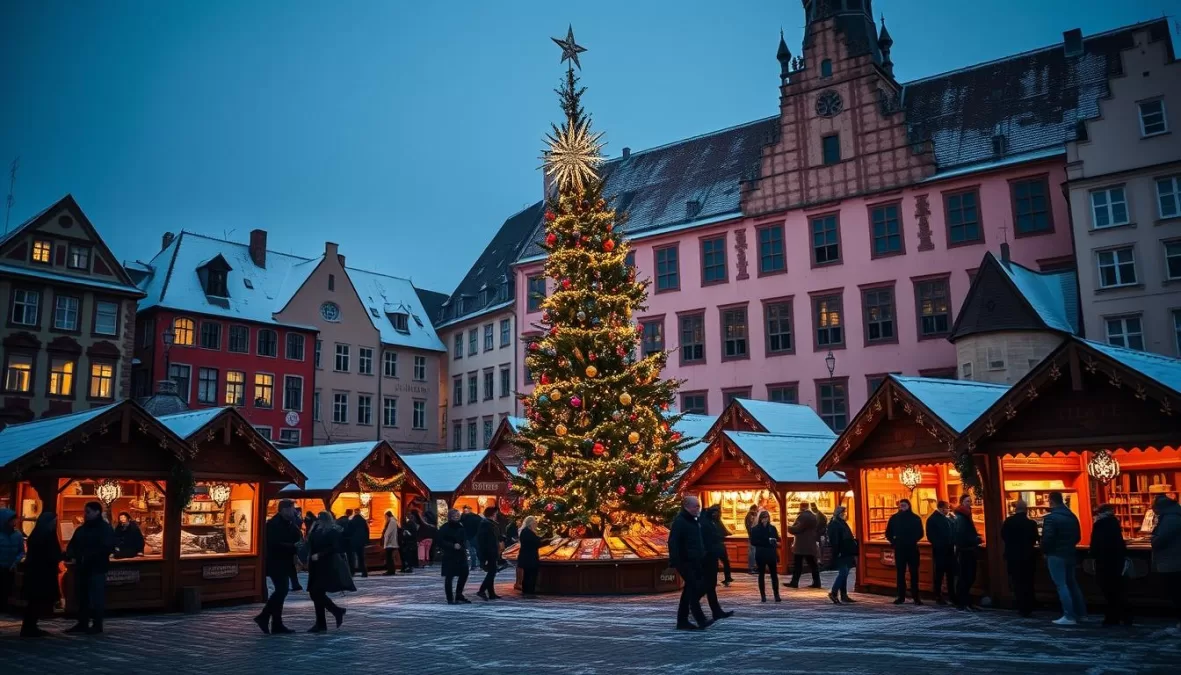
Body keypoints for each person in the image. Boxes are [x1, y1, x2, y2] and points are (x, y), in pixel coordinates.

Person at [64, 501, 114, 634]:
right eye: (85, 512)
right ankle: (82, 622)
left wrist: (90, 556)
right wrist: (72, 555)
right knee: (82, 596)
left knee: (96, 596)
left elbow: (107, 547)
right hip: (82, 567)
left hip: (97, 567)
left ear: (97, 512)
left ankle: (97, 624)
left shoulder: (104, 529)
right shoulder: (82, 529)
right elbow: (73, 544)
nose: (85, 515)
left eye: (88, 512)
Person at [254, 499, 302, 635]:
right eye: (292, 508)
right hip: (275, 562)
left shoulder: (290, 523)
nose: (295, 511)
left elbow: (296, 537)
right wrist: (292, 546)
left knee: (282, 591)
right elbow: (273, 543)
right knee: (282, 590)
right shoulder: (273, 524)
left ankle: (276, 624)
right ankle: (264, 617)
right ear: (284, 509)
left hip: (285, 562)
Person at [1041, 491, 1085, 625]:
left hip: (1055, 554)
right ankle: (1082, 613)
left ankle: (1069, 615)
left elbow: (1047, 539)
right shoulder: (1072, 516)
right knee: (1072, 583)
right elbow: (1078, 536)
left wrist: (1045, 550)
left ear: (1051, 501)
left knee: (1061, 584)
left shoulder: (1051, 518)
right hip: (1070, 553)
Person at [669, 496, 711, 629]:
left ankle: (682, 620)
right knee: (694, 588)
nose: (698, 509)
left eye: (698, 506)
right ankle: (700, 619)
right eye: (696, 506)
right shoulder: (680, 522)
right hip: (685, 561)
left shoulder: (693, 520)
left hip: (696, 560)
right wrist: (676, 560)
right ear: (687, 507)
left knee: (693, 589)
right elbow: (673, 542)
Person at [20, 511, 60, 638]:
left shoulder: (38, 534)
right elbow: (50, 554)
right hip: (41, 573)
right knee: (35, 601)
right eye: (53, 522)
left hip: (36, 572)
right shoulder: (45, 535)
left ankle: (30, 626)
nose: (55, 524)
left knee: (35, 601)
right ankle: (29, 627)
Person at [307, 511, 348, 632]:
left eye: (321, 518)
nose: (319, 520)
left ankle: (333, 614)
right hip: (315, 565)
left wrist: (320, 554)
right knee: (316, 593)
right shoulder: (316, 530)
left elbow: (335, 547)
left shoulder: (332, 531)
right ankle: (325, 620)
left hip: (325, 565)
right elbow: (311, 543)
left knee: (316, 593)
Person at [1090, 503, 1129, 626]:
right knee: (1118, 589)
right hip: (1117, 560)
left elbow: (1096, 543)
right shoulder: (1115, 523)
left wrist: (1093, 554)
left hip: (1104, 560)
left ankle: (1112, 617)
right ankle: (1124, 615)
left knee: (1108, 590)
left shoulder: (1100, 525)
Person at [1001, 499, 1040, 617]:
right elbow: (1035, 539)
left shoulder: (1008, 522)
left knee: (1017, 581)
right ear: (1026, 510)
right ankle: (1029, 605)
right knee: (1028, 581)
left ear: (1015, 509)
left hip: (1013, 556)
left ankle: (1020, 605)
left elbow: (1004, 536)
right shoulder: (1031, 523)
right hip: (1028, 556)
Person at [1150, 494, 1181, 629]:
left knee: (1176, 592)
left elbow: (1161, 539)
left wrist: (1153, 540)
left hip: (1172, 561)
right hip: (1174, 559)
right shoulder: (1175, 516)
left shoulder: (1170, 519)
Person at [699, 504, 735, 621]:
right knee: (707, 586)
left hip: (712, 556)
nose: (717, 514)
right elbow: (708, 540)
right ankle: (693, 604)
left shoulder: (711, 522)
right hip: (707, 558)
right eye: (715, 512)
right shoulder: (705, 523)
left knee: (711, 586)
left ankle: (716, 611)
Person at [884, 498, 923, 605]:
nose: (902, 507)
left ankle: (916, 597)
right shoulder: (894, 518)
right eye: (901, 505)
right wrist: (894, 542)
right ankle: (901, 596)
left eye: (904, 505)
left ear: (909, 506)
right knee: (900, 573)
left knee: (914, 573)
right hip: (900, 549)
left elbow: (920, 533)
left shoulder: (915, 518)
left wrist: (912, 540)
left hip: (912, 549)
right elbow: (888, 533)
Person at [954, 494, 983, 612]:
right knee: (966, 577)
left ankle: (965, 602)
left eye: (970, 501)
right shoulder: (962, 517)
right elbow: (961, 535)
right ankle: (963, 602)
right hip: (965, 551)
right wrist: (975, 539)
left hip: (968, 550)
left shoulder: (966, 515)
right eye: (967, 501)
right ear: (962, 502)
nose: (969, 503)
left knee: (968, 577)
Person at [925, 501, 956, 605]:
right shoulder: (933, 519)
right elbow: (931, 536)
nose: (948, 510)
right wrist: (940, 544)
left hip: (950, 550)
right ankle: (938, 595)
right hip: (940, 551)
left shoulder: (949, 518)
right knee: (939, 574)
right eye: (947, 508)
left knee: (950, 574)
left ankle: (952, 595)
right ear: (941, 508)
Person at [437, 509, 471, 604]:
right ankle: (450, 598)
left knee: (464, 573)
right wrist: (452, 545)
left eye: (458, 516)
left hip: (461, 554)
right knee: (449, 576)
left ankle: (459, 595)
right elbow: (439, 541)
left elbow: (464, 538)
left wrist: (465, 546)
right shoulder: (445, 528)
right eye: (455, 516)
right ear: (450, 517)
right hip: (450, 555)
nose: (457, 517)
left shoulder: (461, 526)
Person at [0, 508, 26, 633]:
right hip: (1, 565)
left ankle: (6, 608)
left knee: (7, 589)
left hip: (10, 567)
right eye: (11, 520)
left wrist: (16, 560)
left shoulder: (17, 535)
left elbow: (21, 551)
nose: (14, 522)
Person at [786, 502, 821, 589]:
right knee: (813, 564)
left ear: (801, 507)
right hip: (810, 544)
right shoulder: (813, 516)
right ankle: (817, 582)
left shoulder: (802, 516)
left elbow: (797, 529)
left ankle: (794, 582)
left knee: (798, 564)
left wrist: (788, 527)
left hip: (801, 544)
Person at [750, 510, 781, 604]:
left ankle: (776, 595)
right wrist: (767, 541)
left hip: (771, 553)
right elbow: (753, 542)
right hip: (761, 553)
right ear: (760, 518)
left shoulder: (772, 528)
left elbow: (777, 539)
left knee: (774, 575)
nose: (765, 519)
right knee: (761, 575)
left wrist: (774, 542)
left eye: (767, 517)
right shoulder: (755, 529)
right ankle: (763, 596)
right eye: (763, 517)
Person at [827, 506, 857, 604]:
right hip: (842, 551)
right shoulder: (835, 524)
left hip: (846, 551)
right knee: (843, 573)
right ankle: (834, 592)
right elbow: (835, 540)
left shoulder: (841, 523)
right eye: (844, 512)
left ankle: (843, 595)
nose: (845, 514)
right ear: (839, 513)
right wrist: (837, 552)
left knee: (845, 573)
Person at [476, 506, 502, 600]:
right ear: (493, 514)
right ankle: (481, 590)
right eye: (496, 514)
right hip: (489, 552)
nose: (497, 515)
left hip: (491, 551)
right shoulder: (486, 524)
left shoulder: (488, 523)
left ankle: (491, 593)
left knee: (492, 571)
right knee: (492, 571)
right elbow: (484, 541)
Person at [517, 516, 541, 596]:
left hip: (527, 556)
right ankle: (529, 591)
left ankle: (526, 591)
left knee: (527, 574)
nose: (536, 525)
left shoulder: (525, 531)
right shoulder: (528, 532)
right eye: (534, 523)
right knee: (530, 575)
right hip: (529, 557)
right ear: (531, 523)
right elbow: (536, 543)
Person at [348, 509, 369, 577]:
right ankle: (364, 572)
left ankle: (352, 571)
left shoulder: (352, 521)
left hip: (354, 541)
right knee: (361, 557)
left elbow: (349, 531)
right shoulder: (363, 521)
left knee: (353, 557)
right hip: (361, 541)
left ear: (354, 513)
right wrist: (366, 540)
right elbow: (367, 531)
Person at [460, 506, 482, 570]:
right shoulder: (477, 517)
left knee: (471, 551)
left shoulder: (463, 517)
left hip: (468, 536)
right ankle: (481, 565)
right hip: (476, 536)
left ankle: (473, 565)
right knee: (478, 551)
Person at [381, 510, 399, 576]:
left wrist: (385, 541)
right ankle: (391, 570)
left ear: (388, 516)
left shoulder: (392, 522)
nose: (385, 518)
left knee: (389, 557)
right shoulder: (393, 521)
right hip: (391, 543)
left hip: (390, 543)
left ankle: (390, 570)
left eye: (385, 517)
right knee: (389, 557)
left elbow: (388, 533)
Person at [744, 504, 759, 575]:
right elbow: (751, 527)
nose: (757, 511)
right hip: (753, 536)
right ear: (754, 509)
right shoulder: (750, 515)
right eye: (757, 509)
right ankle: (751, 568)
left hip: (753, 536)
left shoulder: (750, 515)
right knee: (752, 552)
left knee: (753, 552)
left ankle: (753, 567)